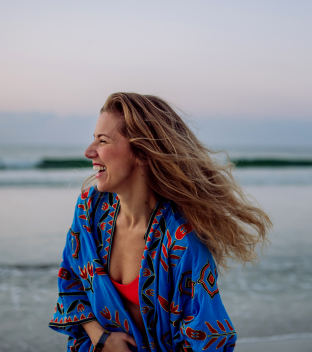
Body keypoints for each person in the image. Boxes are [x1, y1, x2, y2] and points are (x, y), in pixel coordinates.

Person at [49, 93, 271, 352]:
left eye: (103, 141)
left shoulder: (180, 243)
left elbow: (208, 339)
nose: (89, 151)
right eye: (93, 139)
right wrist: (102, 338)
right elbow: (71, 277)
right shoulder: (91, 209)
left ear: (142, 153)